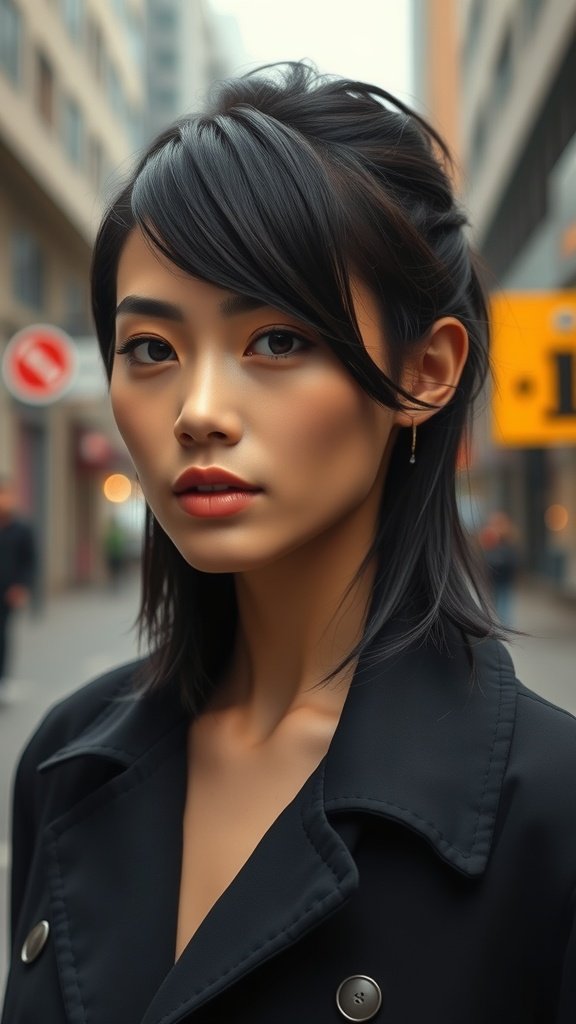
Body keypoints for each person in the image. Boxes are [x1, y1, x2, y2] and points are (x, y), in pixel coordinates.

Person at [3, 63, 576, 1024]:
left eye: (276, 341)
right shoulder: (68, 756)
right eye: (151, 349)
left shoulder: (548, 816)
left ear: (425, 372)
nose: (198, 412)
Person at [0, 477, 36, 698]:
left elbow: (30, 561)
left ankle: (2, 679)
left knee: (2, 636)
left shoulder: (21, 529)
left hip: (7, 593)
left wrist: (22, 586)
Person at [478, 510, 521, 626]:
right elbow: (484, 557)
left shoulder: (508, 539)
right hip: (493, 577)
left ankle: (505, 625)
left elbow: (513, 559)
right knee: (496, 602)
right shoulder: (490, 537)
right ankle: (500, 624)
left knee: (504, 602)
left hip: (504, 577)